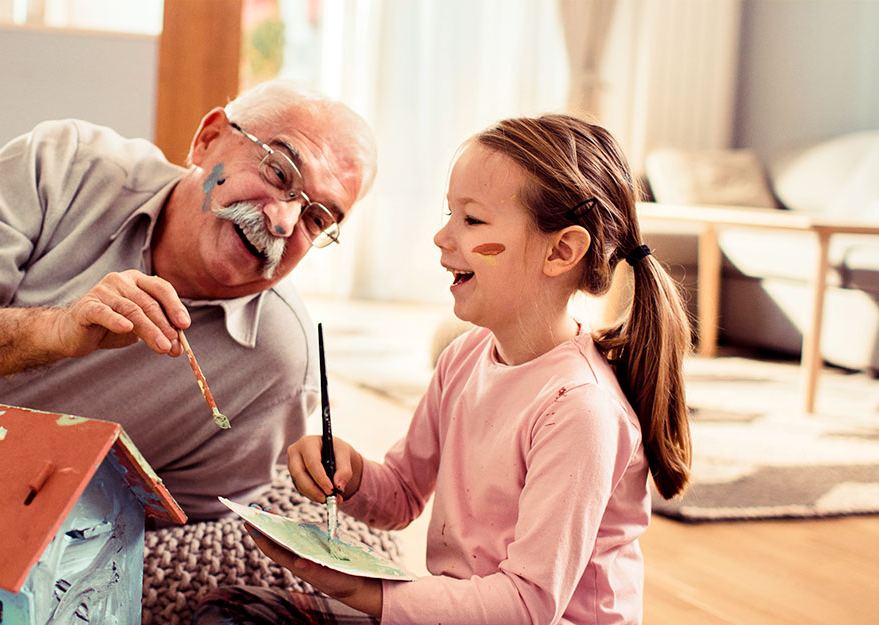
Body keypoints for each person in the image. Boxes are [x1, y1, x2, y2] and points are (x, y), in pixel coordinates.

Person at [195, 114, 693, 624]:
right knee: (229, 611)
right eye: (449, 213)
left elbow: (526, 606)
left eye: (472, 220)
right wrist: (349, 472)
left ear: (561, 250)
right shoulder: (464, 358)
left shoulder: (580, 410)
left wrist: (364, 593)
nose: (441, 236)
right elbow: (402, 495)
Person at [0, 80, 378, 521]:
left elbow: (176, 529)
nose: (283, 222)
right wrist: (55, 332)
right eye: (279, 171)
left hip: (10, 548)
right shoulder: (65, 165)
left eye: (317, 217)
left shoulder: (280, 364)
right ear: (208, 139)